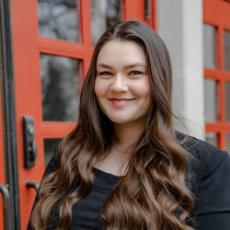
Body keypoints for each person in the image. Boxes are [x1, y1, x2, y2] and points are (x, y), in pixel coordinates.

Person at [28, 20, 230, 230]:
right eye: (105, 73)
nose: (117, 86)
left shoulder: (209, 165)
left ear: (158, 80)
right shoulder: (70, 155)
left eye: (134, 73)